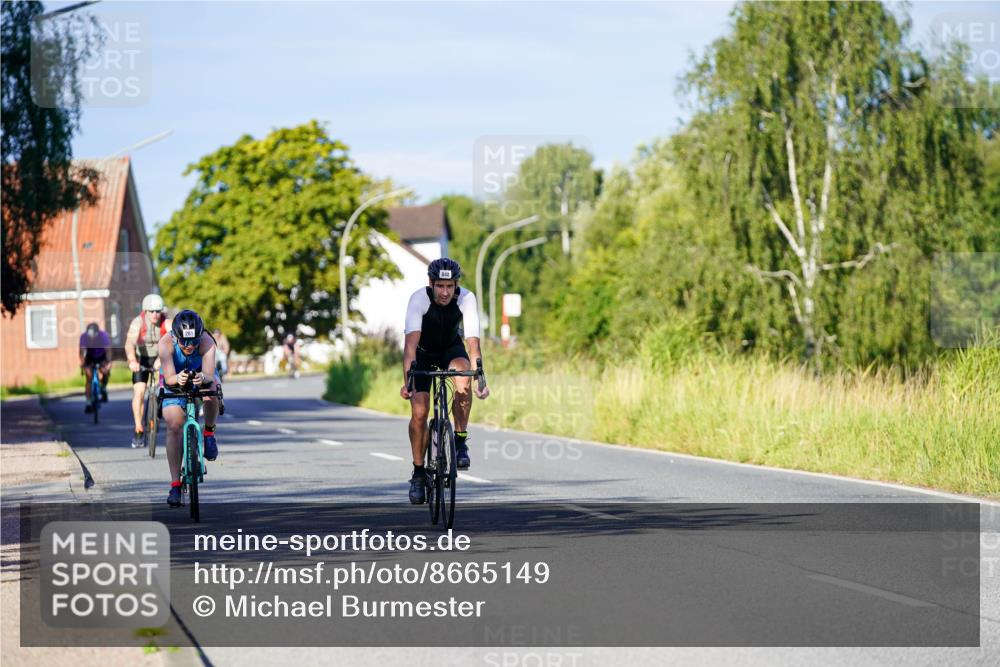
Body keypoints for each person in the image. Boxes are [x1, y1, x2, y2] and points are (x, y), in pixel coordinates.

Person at [400, 258, 489, 505]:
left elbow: (473, 344)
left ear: (456, 284)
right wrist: (407, 382)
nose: (445, 292)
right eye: (440, 286)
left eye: (450, 286)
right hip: (423, 352)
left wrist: (480, 377)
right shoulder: (418, 299)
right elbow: (410, 348)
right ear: (431, 284)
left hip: (451, 348)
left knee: (463, 380)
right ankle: (418, 474)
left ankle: (460, 442)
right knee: (419, 411)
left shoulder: (466, 299)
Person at [158, 309, 222, 507]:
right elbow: (168, 378)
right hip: (173, 381)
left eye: (194, 341)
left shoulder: (207, 342)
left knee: (212, 392)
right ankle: (175, 484)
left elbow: (210, 374)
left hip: (202, 376)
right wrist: (177, 378)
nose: (189, 346)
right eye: (184, 342)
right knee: (174, 425)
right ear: (176, 337)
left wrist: (202, 377)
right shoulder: (165, 343)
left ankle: (209, 434)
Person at [124, 294, 169, 448]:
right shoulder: (138, 322)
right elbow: (129, 344)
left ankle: (159, 406)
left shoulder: (166, 322)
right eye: (151, 311)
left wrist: (162, 358)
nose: (155, 315)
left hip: (159, 358)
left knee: (164, 387)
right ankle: (138, 428)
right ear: (145, 311)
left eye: (158, 311)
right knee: (139, 392)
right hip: (141, 359)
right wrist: (132, 361)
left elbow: (174, 341)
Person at [79, 322, 111, 413]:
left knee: (105, 371)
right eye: (90, 337)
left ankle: (103, 387)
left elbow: (108, 350)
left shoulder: (103, 335)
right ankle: (88, 402)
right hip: (90, 356)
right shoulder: (83, 337)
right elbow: (81, 352)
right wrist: (83, 364)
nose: (92, 338)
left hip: (101, 356)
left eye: (94, 336)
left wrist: (108, 362)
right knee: (88, 377)